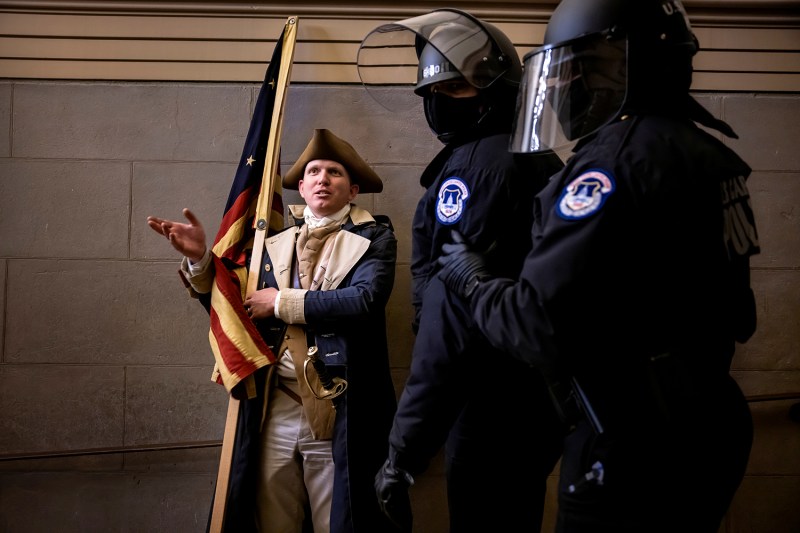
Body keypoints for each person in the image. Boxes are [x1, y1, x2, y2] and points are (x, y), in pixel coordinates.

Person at [437, 0, 760, 531]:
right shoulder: (707, 152)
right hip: (707, 420)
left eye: (584, 65)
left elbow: (537, 327)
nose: (571, 84)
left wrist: (473, 281)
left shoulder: (612, 161)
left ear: (633, 63)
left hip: (631, 434)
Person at [359, 9, 566, 532]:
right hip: (532, 397)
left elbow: (451, 324)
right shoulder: (529, 155)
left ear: (495, 91)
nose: (435, 103)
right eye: (432, 91)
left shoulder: (478, 168)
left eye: (454, 89)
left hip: (493, 399)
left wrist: (404, 450)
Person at [147, 128, 400, 533]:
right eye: (314, 172)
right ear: (301, 186)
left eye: (334, 173)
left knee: (339, 520)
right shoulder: (272, 242)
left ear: (352, 190)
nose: (322, 179)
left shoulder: (376, 238)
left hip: (338, 409)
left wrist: (280, 302)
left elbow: (364, 301)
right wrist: (200, 259)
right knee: (271, 519)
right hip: (275, 406)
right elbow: (232, 306)